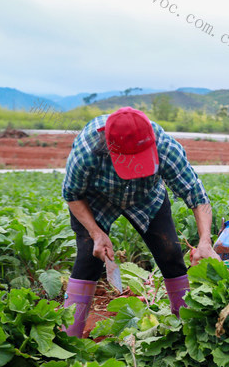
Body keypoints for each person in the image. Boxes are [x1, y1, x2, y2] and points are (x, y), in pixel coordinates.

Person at [60, 107, 219, 337]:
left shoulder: (165, 147)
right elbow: (73, 195)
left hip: (146, 197)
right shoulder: (87, 149)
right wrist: (96, 233)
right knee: (89, 259)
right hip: (97, 200)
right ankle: (69, 339)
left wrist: (205, 240)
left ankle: (185, 330)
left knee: (170, 254)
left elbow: (196, 194)